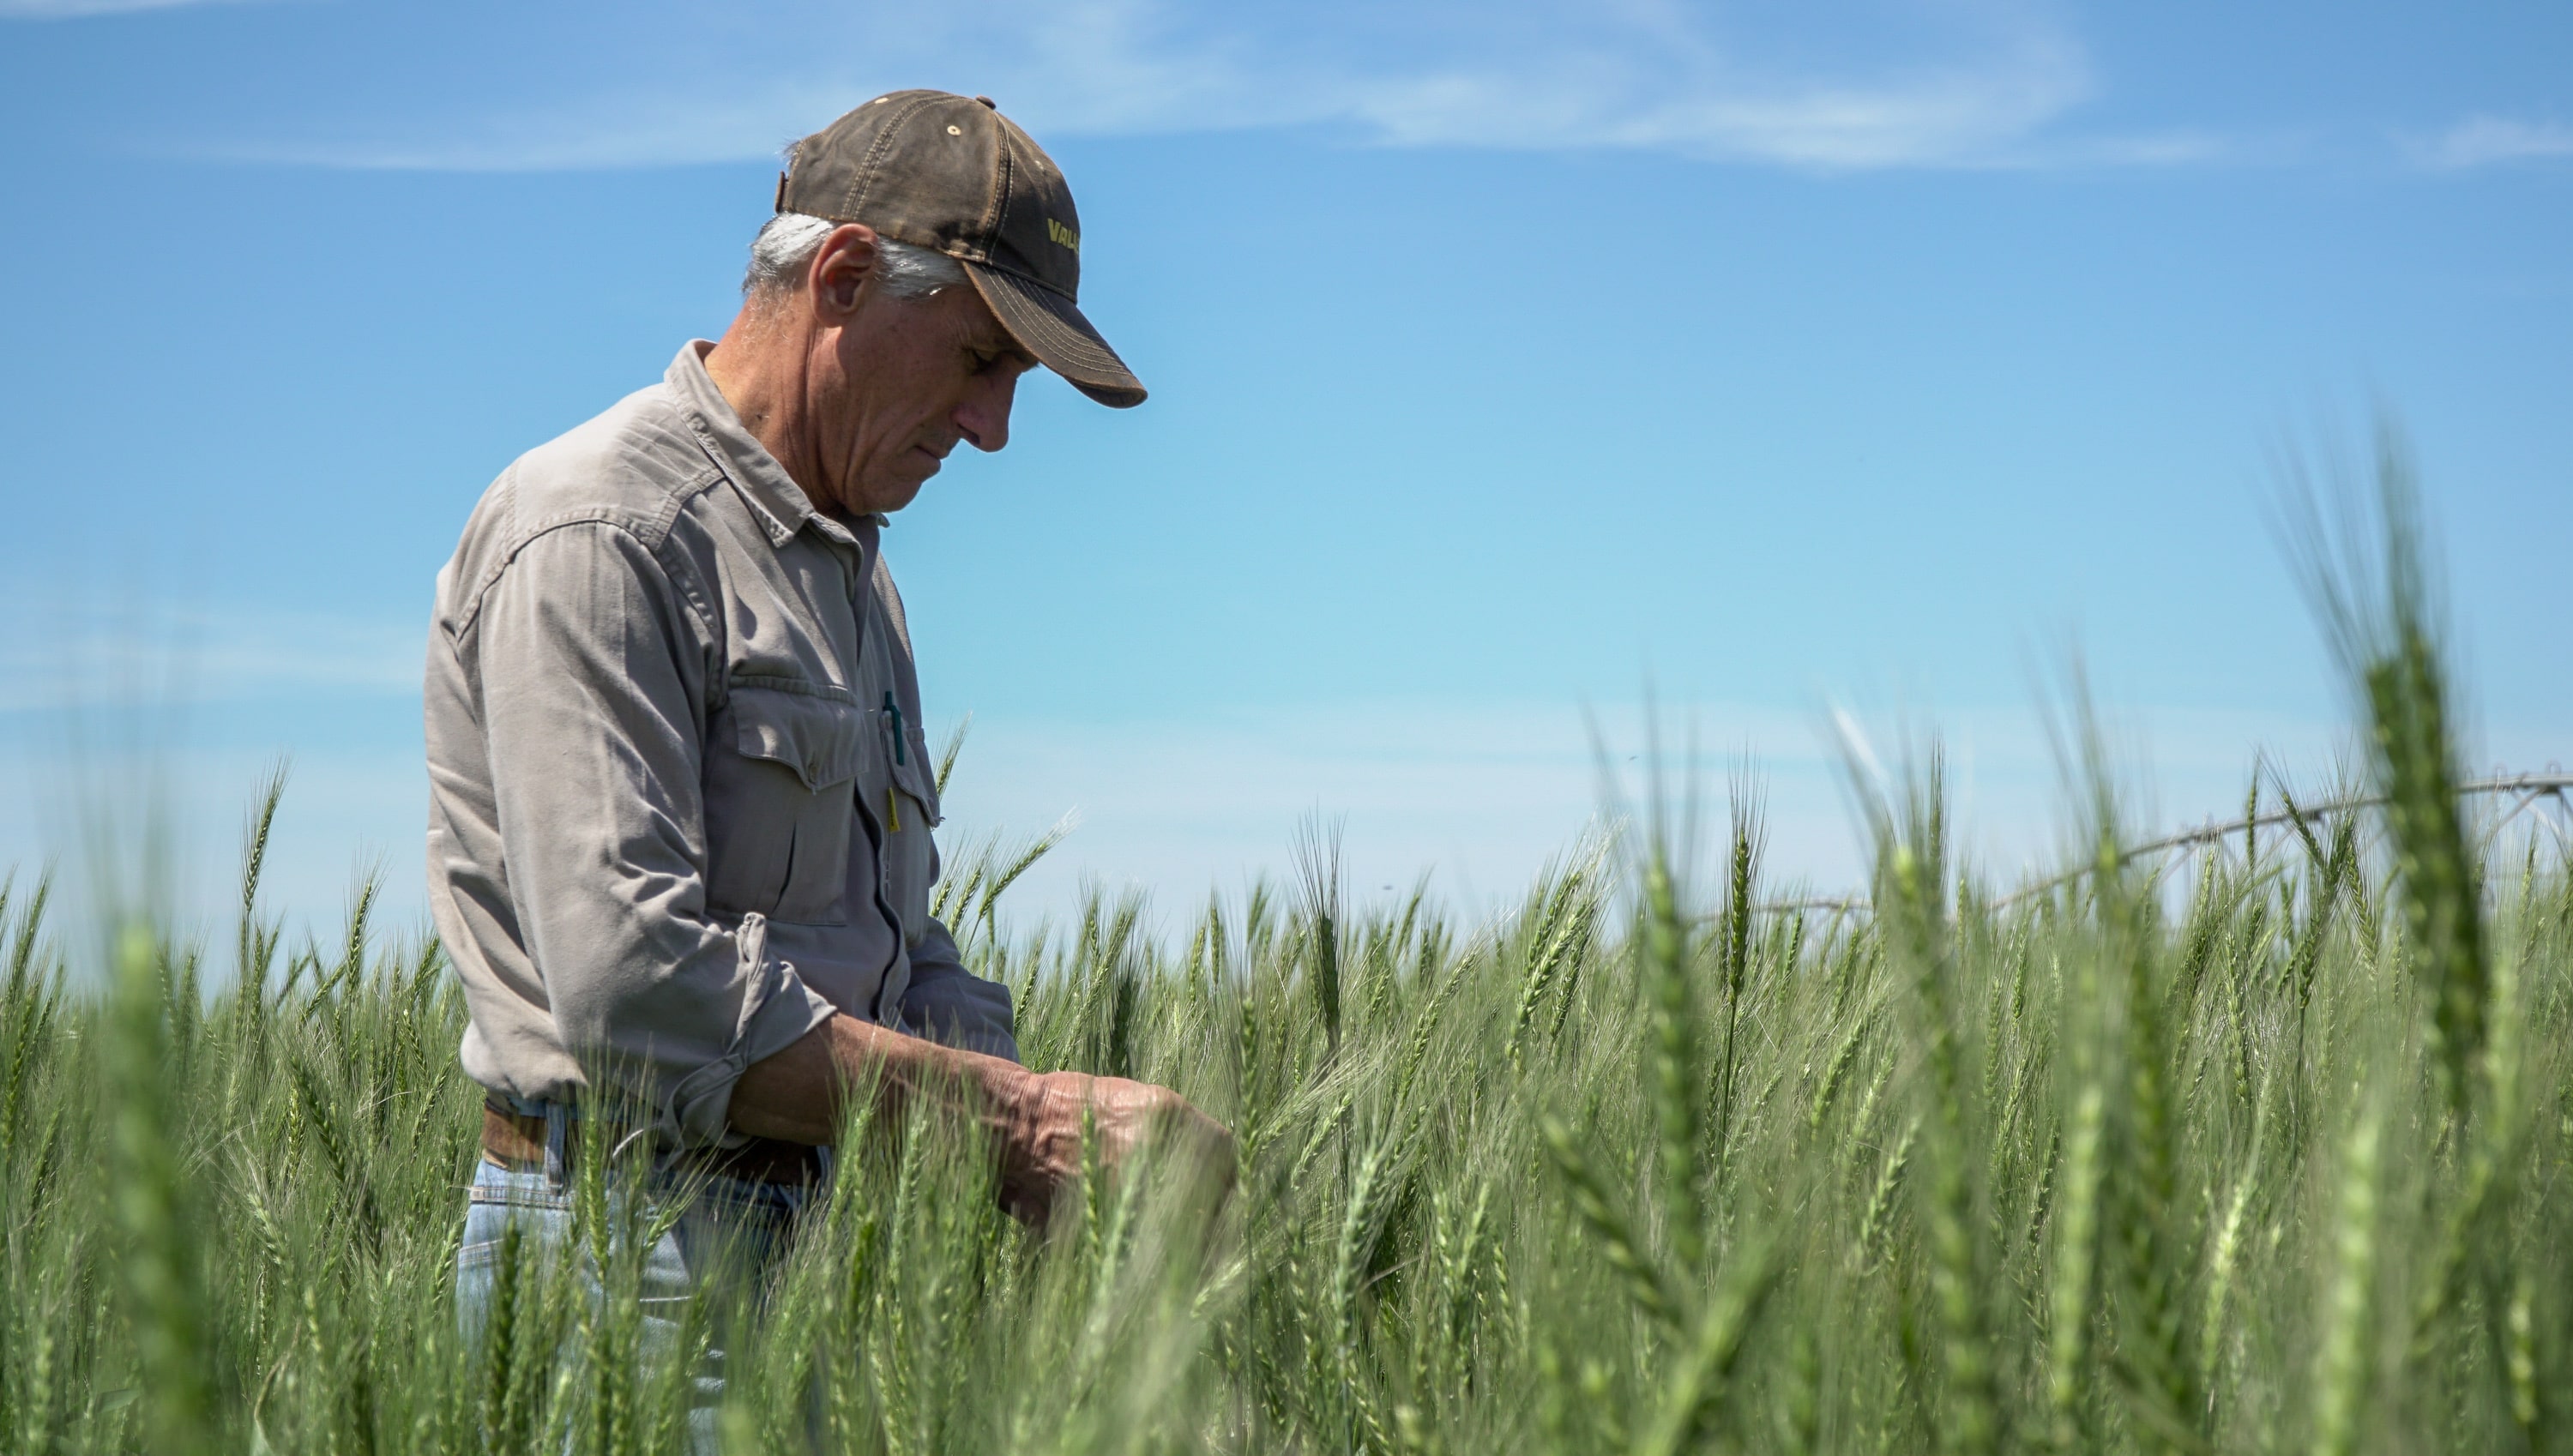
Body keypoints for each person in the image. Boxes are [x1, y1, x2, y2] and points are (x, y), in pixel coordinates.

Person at [425, 89, 1229, 1400]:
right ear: (845, 275)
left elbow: (888, 948)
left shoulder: (853, 571)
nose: (994, 430)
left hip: (832, 1248)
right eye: (981, 361)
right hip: (624, 1261)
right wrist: (1019, 1126)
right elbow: (632, 988)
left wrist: (1074, 1142)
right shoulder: (599, 530)